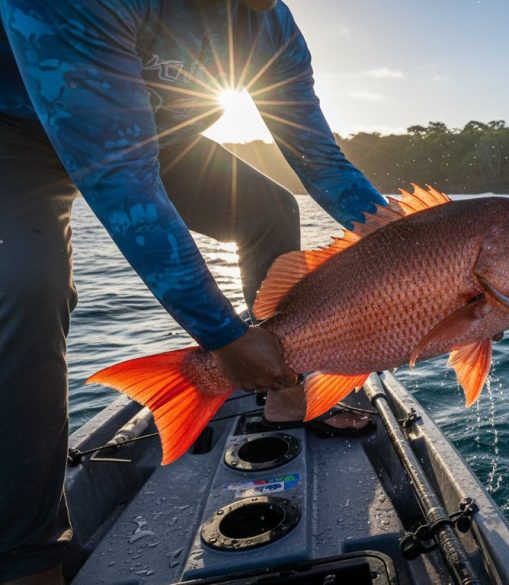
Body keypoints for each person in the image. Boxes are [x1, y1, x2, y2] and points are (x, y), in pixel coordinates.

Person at [0, 1, 384, 582]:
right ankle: (27, 558)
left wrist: (436, 260)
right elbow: (121, 183)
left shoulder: (271, 27)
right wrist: (224, 336)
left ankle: (285, 392)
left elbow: (321, 162)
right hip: (17, 130)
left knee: (267, 209)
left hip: (147, 132)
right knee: (27, 288)